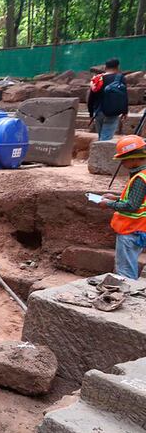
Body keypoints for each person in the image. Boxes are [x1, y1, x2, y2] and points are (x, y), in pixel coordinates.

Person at [98, 135, 146, 280]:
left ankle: (127, 297)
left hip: (131, 230)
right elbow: (138, 199)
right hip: (138, 230)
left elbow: (131, 206)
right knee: (128, 265)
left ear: (135, 159)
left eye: (124, 159)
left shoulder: (140, 179)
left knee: (125, 272)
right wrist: (116, 198)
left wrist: (109, 204)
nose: (123, 163)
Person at [88, 58, 128, 141]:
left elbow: (91, 97)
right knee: (106, 138)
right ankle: (100, 153)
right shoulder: (120, 78)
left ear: (105, 67)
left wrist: (91, 113)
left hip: (98, 111)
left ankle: (98, 152)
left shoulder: (97, 78)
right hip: (113, 112)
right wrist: (125, 111)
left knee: (101, 137)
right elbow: (124, 95)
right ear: (118, 67)